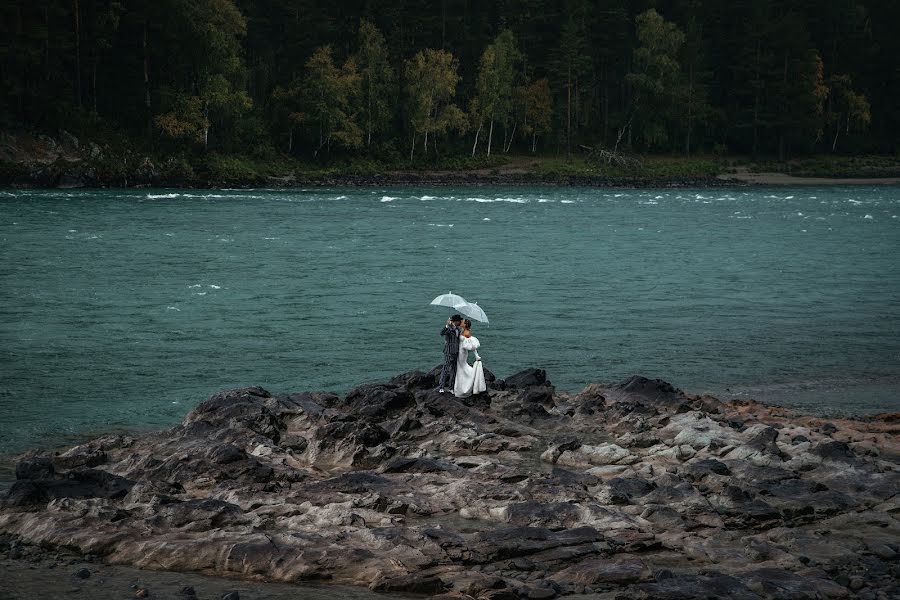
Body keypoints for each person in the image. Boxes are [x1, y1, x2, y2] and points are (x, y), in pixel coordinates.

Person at [453, 319, 486, 398]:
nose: (461, 322)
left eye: (463, 322)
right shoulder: (462, 330)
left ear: (465, 324)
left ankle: (469, 380)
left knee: (462, 367)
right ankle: (459, 388)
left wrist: (476, 355)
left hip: (462, 353)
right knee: (460, 367)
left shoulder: (466, 333)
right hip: (459, 350)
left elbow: (472, 345)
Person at [439, 314, 463, 393]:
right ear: (455, 321)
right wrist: (447, 326)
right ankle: (441, 387)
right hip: (448, 352)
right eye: (459, 321)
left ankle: (451, 387)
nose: (460, 322)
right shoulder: (449, 328)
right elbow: (441, 333)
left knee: (454, 370)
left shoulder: (459, 329)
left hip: (456, 352)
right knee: (445, 369)